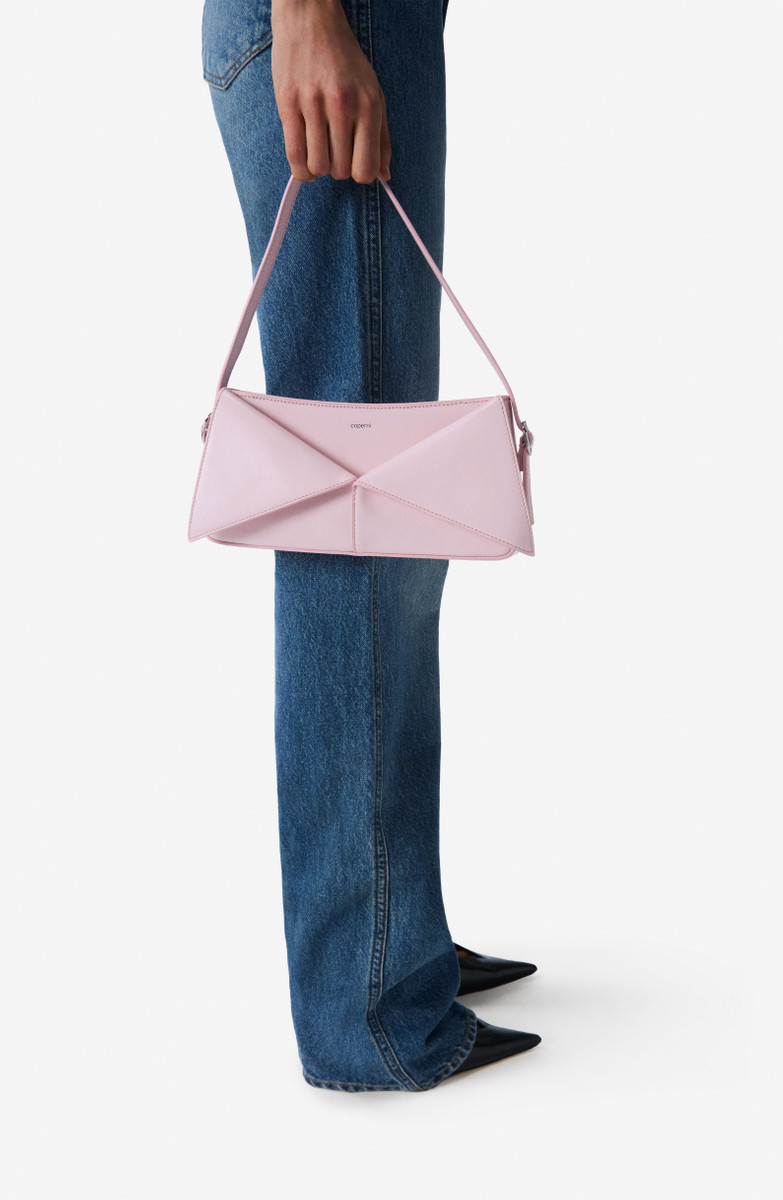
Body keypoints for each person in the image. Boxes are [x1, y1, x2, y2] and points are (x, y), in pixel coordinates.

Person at [200, 0, 541, 1091]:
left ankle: (395, 935)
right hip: (337, 21)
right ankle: (369, 1002)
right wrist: (307, 15)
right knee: (354, 525)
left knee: (384, 543)